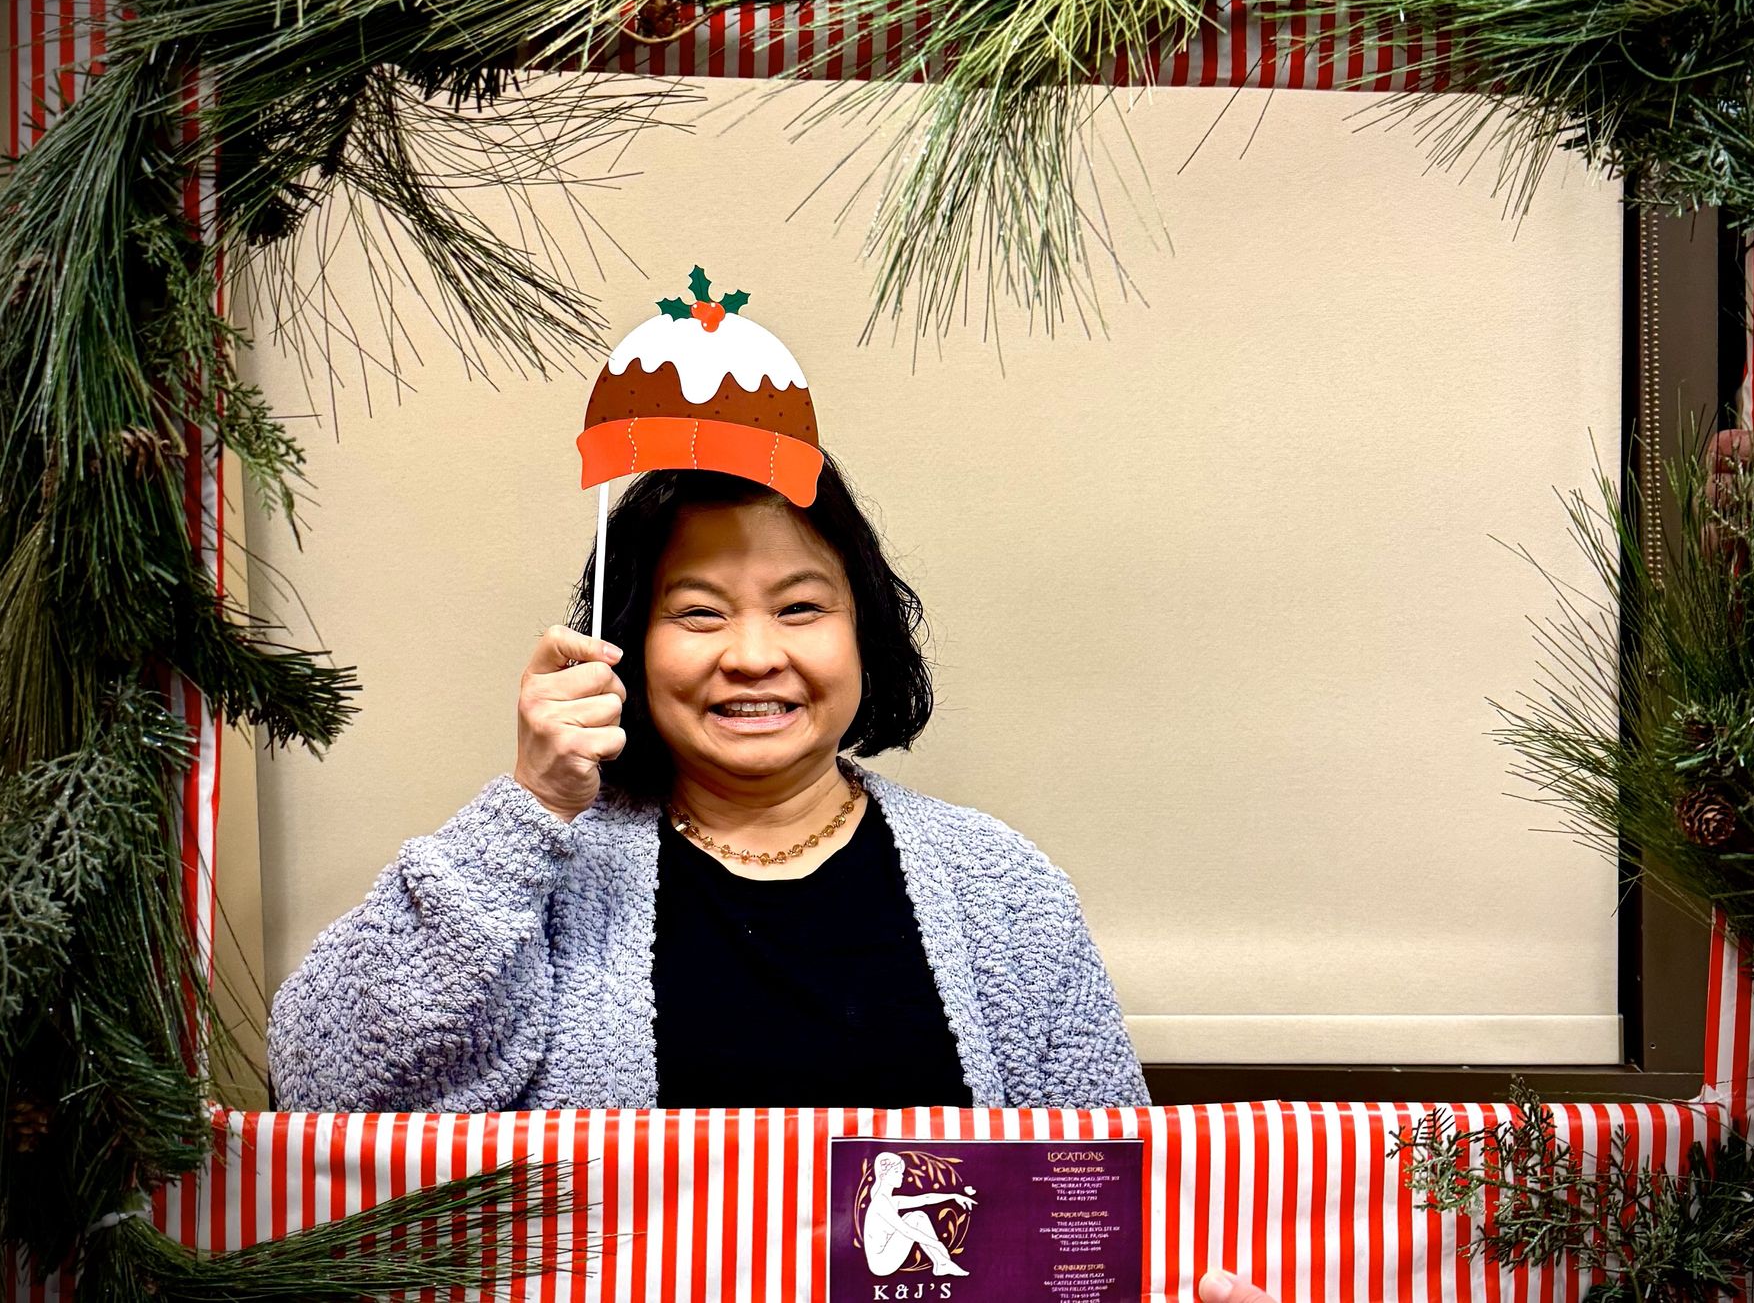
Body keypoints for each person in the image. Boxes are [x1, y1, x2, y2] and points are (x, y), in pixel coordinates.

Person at [266, 454, 1150, 1112]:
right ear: (630, 644)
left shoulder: (1001, 885)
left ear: (864, 637)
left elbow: (1107, 1200)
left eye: (800, 608)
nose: (754, 657)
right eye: (698, 613)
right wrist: (530, 809)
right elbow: (323, 1087)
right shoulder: (541, 865)